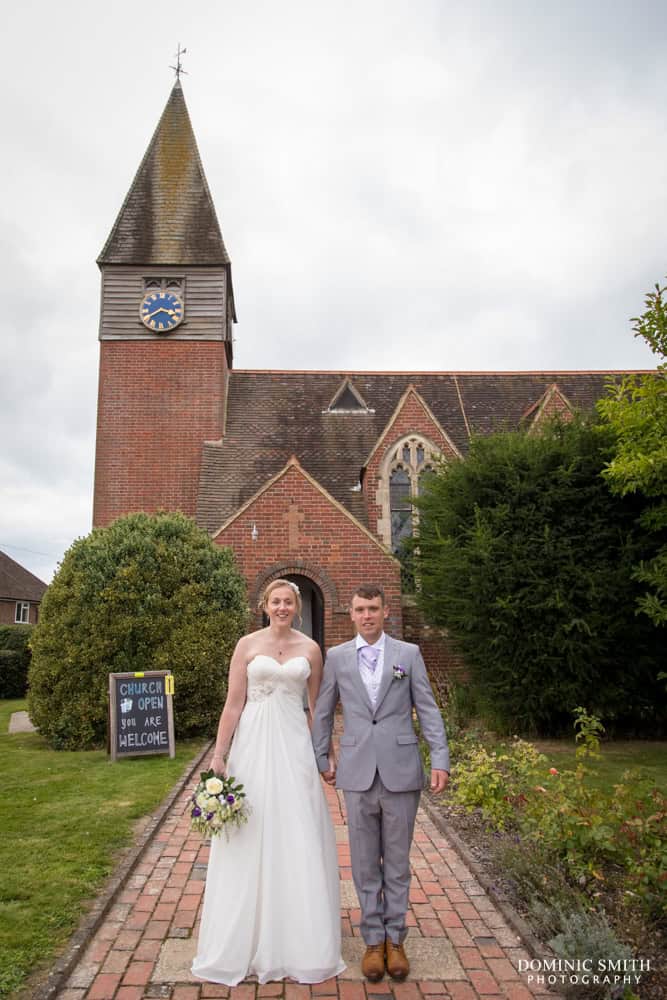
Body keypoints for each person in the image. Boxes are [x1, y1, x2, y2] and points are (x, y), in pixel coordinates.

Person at [192, 579, 346, 986]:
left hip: (294, 745)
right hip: (253, 747)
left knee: (298, 829)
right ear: (265, 605)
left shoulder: (310, 650)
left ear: (296, 607)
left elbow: (317, 708)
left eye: (288, 602)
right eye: (275, 601)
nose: (281, 607)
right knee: (251, 830)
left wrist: (325, 754)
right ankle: (246, 937)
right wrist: (220, 754)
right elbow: (233, 703)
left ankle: (301, 940)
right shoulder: (246, 646)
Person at [311, 584, 449, 983]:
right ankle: (373, 941)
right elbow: (323, 712)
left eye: (373, 608)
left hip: (401, 769)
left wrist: (439, 758)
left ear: (385, 612)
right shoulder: (336, 658)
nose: (367, 615)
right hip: (356, 770)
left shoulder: (408, 655)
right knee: (364, 862)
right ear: (350, 615)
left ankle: (396, 939)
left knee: (398, 862)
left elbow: (427, 707)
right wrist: (321, 757)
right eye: (360, 609)